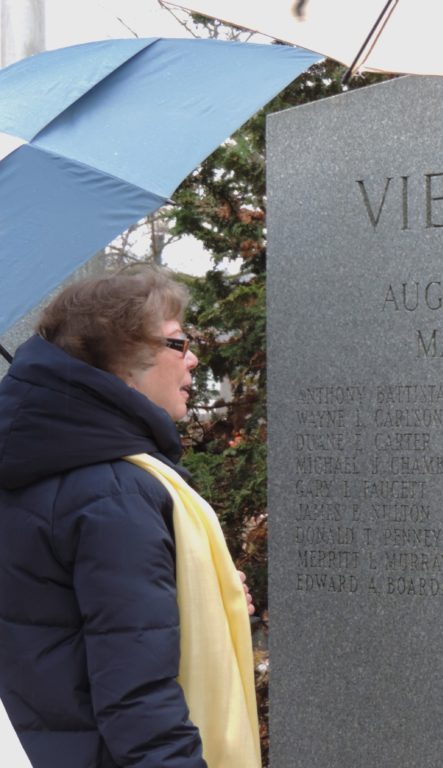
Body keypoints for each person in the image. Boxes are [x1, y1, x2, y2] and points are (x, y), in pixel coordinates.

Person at [0, 267, 259, 768]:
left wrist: (201, 595)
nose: (193, 358)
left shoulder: (36, 463)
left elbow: (60, 624)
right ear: (122, 361)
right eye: (177, 343)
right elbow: (140, 699)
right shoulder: (113, 490)